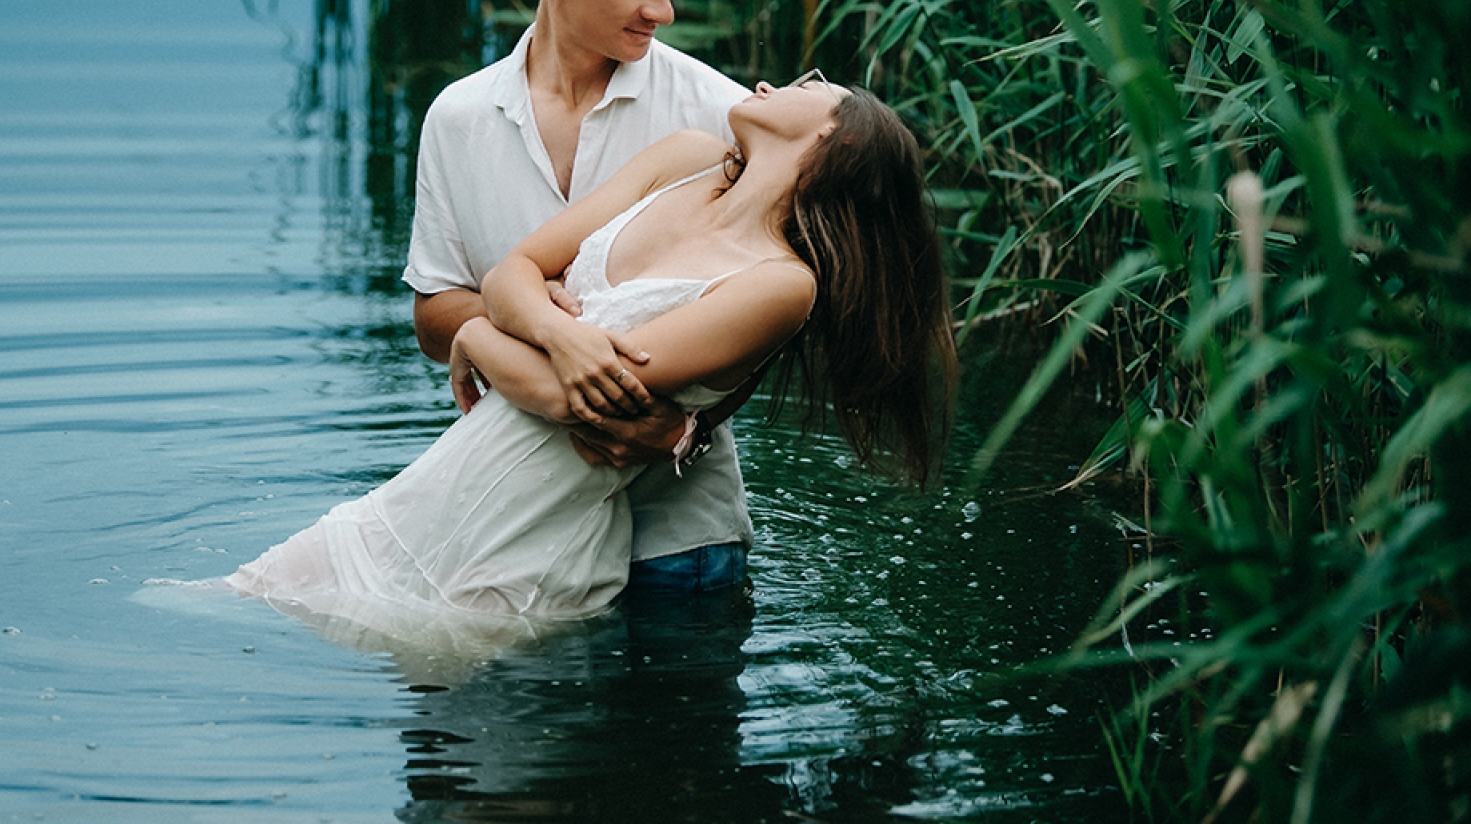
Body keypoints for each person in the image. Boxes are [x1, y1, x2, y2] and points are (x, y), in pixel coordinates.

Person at [225, 76, 956, 653]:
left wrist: (482, 340)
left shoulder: (782, 283)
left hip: (531, 545)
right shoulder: (683, 159)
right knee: (226, 604)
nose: (770, 85)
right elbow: (515, 270)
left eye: (807, 87)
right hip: (422, 501)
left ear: (836, 137)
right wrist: (543, 323)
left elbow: (588, 403)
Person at [402, 0, 757, 596]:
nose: (662, 9)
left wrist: (685, 429)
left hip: (681, 533)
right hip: (521, 528)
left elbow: (771, 317)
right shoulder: (458, 117)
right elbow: (433, 313)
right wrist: (529, 327)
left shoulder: (720, 113)